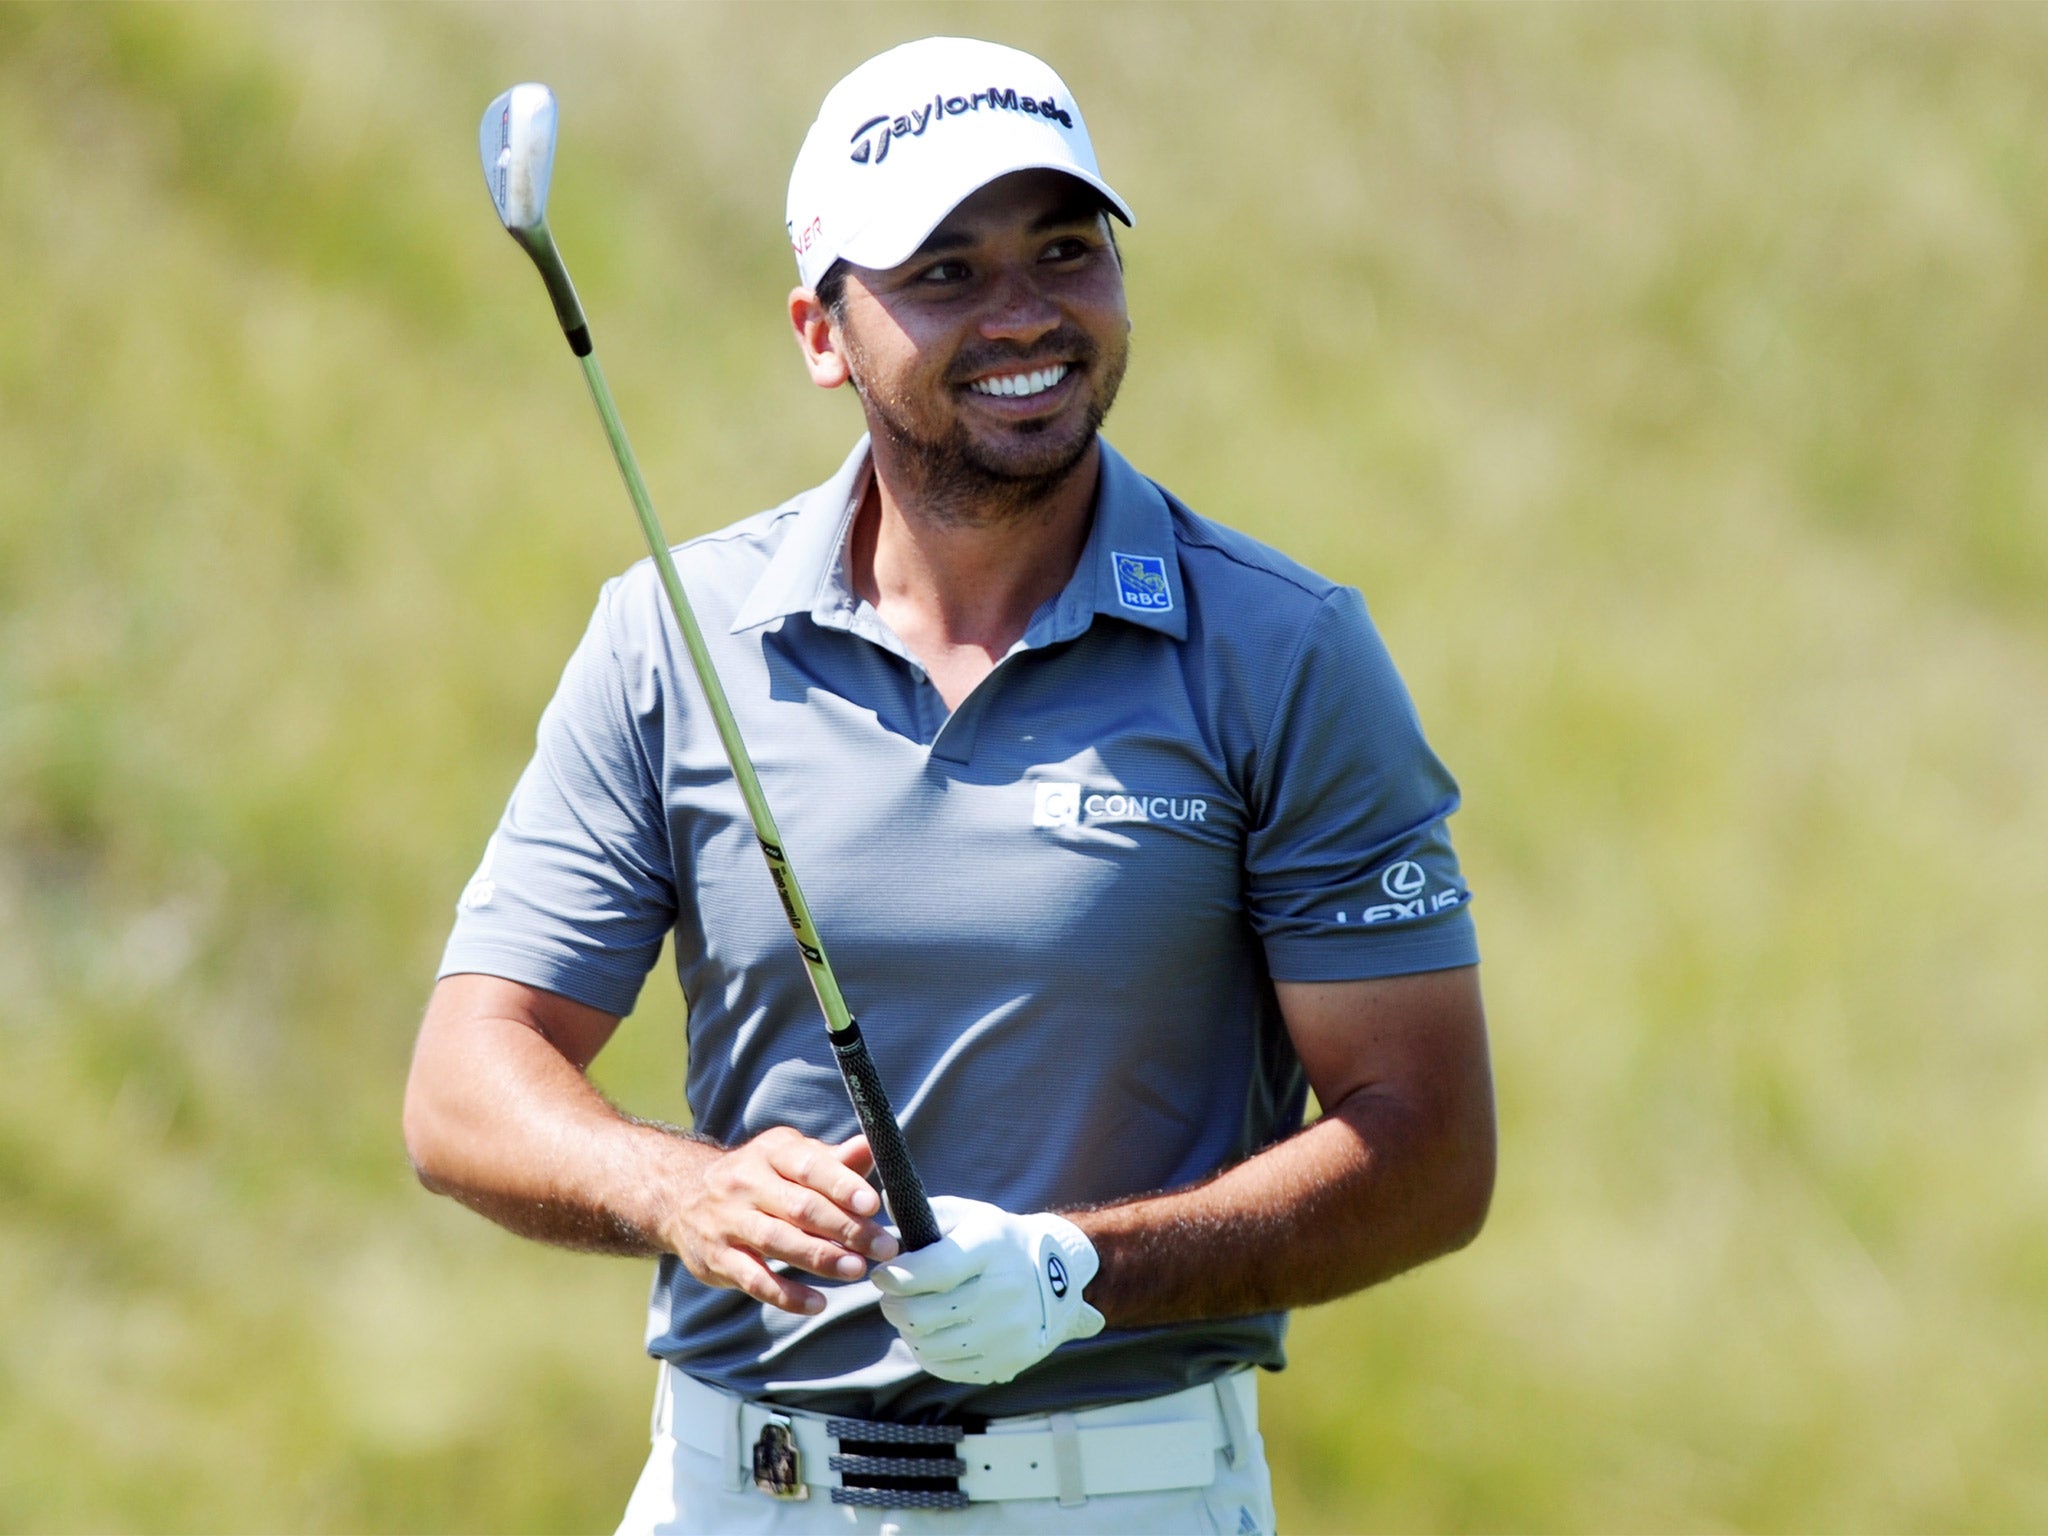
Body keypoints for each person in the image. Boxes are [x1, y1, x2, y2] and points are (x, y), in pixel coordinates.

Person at [404, 35, 1495, 1535]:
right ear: (820, 331)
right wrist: (680, 1190)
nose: (1027, 313)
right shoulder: (672, 633)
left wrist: (1074, 1273)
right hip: (744, 1492)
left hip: (1126, 1496)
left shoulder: (1282, 651)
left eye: (1065, 249)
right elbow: (467, 1082)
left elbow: (1429, 1148)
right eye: (945, 272)